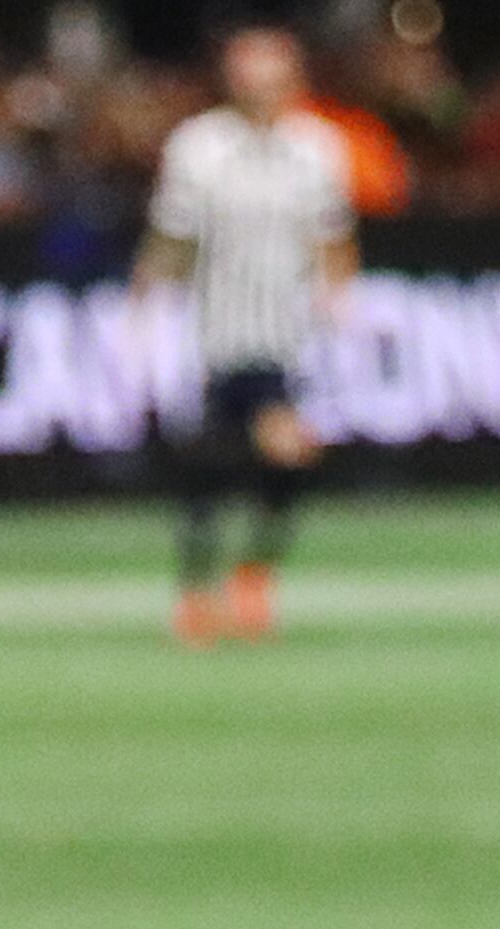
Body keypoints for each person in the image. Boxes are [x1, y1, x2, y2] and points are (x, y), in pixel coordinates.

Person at [136, 24, 355, 645]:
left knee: (288, 456)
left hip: (284, 335)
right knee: (206, 466)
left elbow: (331, 235)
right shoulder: (200, 147)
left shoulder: (317, 148)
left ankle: (251, 575)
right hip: (211, 333)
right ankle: (199, 590)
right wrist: (145, 303)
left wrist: (340, 299)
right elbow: (171, 237)